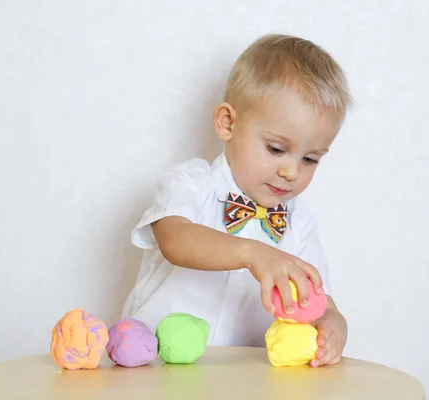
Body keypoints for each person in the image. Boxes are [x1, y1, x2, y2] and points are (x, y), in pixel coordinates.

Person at [122, 33, 352, 367]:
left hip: (247, 378)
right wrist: (252, 253)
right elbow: (174, 239)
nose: (291, 171)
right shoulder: (191, 183)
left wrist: (333, 324)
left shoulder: (298, 224)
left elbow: (321, 301)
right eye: (276, 149)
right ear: (228, 123)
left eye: (310, 159)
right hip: (153, 369)